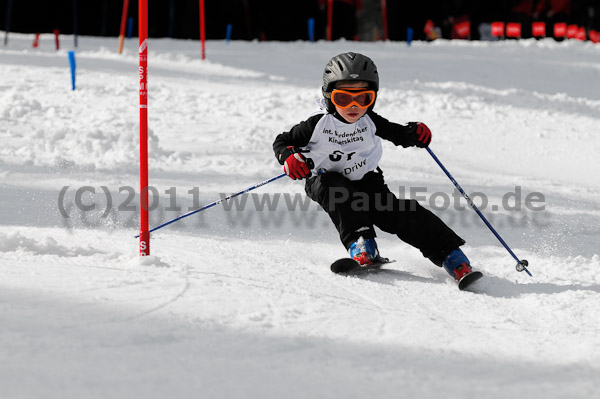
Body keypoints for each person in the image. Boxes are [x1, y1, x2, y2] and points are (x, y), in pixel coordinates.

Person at [272, 52, 478, 284]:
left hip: (368, 182)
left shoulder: (369, 120)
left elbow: (398, 133)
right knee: (338, 192)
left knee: (400, 213)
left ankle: (453, 257)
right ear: (329, 96)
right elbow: (282, 141)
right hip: (325, 181)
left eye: (363, 99)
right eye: (343, 99)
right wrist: (289, 157)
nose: (353, 107)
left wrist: (415, 133)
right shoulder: (316, 124)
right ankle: (362, 246)